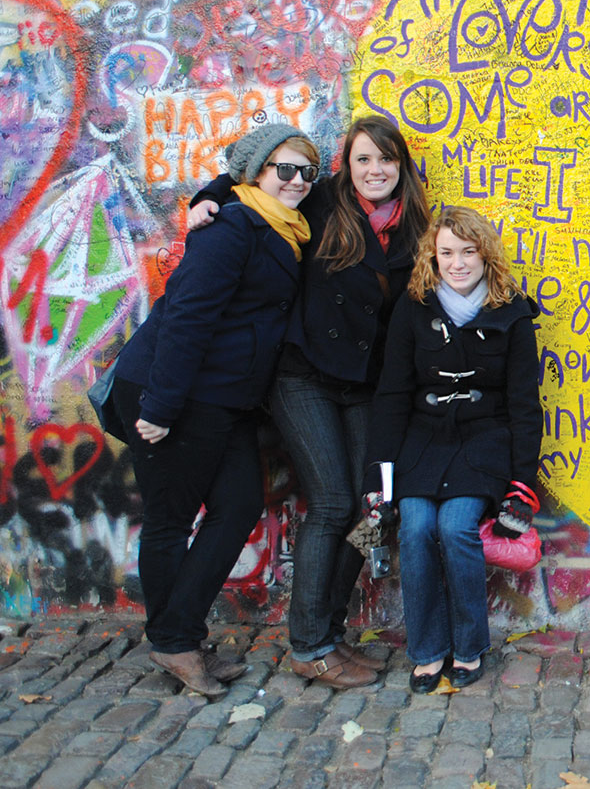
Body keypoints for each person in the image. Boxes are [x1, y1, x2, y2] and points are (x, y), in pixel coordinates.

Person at [189, 116, 430, 688]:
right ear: (347, 165)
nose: (376, 170)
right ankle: (308, 645)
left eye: (386, 159)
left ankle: (331, 629)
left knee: (372, 508)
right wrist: (208, 195)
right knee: (331, 503)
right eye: (364, 159)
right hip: (304, 375)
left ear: (402, 166)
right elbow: (253, 183)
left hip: (367, 385)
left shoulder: (415, 225)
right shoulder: (321, 201)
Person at [112, 124, 317, 696]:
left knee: (237, 506)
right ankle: (175, 644)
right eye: (285, 169)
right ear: (257, 172)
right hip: (171, 390)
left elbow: (244, 176)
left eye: (307, 171)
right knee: (171, 520)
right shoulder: (231, 229)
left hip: (221, 398)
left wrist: (215, 187)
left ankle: (177, 634)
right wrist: (161, 405)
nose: (298, 181)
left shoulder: (282, 222)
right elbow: (186, 318)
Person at [367, 207, 541, 694]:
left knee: (455, 525)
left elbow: (525, 406)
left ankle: (468, 645)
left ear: (485, 255)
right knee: (417, 525)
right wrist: (378, 481)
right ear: (432, 256)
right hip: (423, 441)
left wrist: (521, 489)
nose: (458, 263)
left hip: (483, 443)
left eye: (468, 252)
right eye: (447, 253)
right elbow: (392, 395)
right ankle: (426, 650)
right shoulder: (414, 307)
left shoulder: (512, 312)